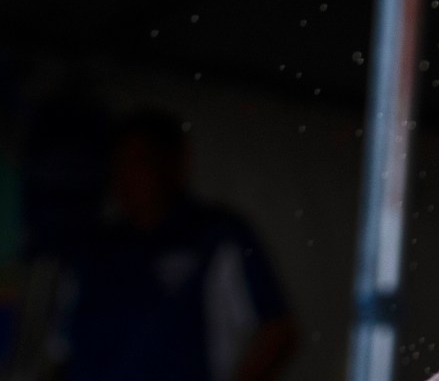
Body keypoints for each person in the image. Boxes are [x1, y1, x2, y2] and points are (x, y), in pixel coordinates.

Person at [60, 109, 296, 381]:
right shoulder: (96, 247)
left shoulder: (215, 235)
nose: (128, 175)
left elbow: (278, 332)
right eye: (119, 164)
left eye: (140, 161)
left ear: (176, 162)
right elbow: (61, 347)